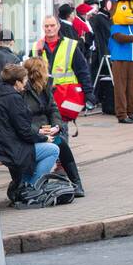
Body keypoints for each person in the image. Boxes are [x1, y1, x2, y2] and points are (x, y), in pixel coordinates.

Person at [0, 63, 60, 200]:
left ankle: (22, 185)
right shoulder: (13, 98)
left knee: (35, 152)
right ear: (17, 82)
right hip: (10, 148)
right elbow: (24, 131)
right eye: (24, 81)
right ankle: (31, 188)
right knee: (53, 150)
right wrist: (44, 138)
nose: (25, 84)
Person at [22, 57, 84, 197]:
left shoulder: (46, 87)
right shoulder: (23, 90)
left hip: (47, 129)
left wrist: (56, 126)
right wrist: (39, 130)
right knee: (59, 144)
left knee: (62, 144)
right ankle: (38, 183)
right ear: (38, 72)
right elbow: (22, 118)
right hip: (33, 132)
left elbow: (53, 110)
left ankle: (77, 183)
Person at [34, 14, 90, 107]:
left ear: (58, 26)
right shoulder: (36, 47)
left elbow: (82, 71)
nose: (49, 28)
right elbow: (31, 72)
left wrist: (88, 93)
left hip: (65, 96)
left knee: (59, 121)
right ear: (43, 28)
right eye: (46, 26)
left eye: (52, 25)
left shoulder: (70, 45)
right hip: (42, 96)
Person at [108, 0, 133, 124]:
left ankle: (131, 112)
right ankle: (122, 114)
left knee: (132, 88)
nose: (132, 11)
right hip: (120, 60)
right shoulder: (115, 27)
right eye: (125, 8)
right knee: (120, 88)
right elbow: (120, 38)